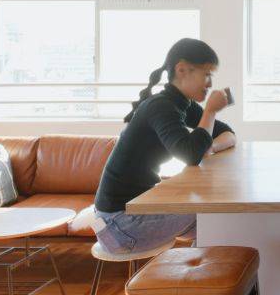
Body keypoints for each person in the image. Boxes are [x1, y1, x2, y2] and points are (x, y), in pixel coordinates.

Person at [92, 38, 236, 254]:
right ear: (182, 70)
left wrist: (210, 147)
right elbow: (190, 154)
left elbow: (227, 132)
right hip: (120, 225)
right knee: (214, 213)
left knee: (211, 215)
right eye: (206, 74)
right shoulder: (161, 107)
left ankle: (198, 275)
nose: (210, 83)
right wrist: (210, 111)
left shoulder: (181, 104)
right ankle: (199, 279)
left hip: (127, 217)